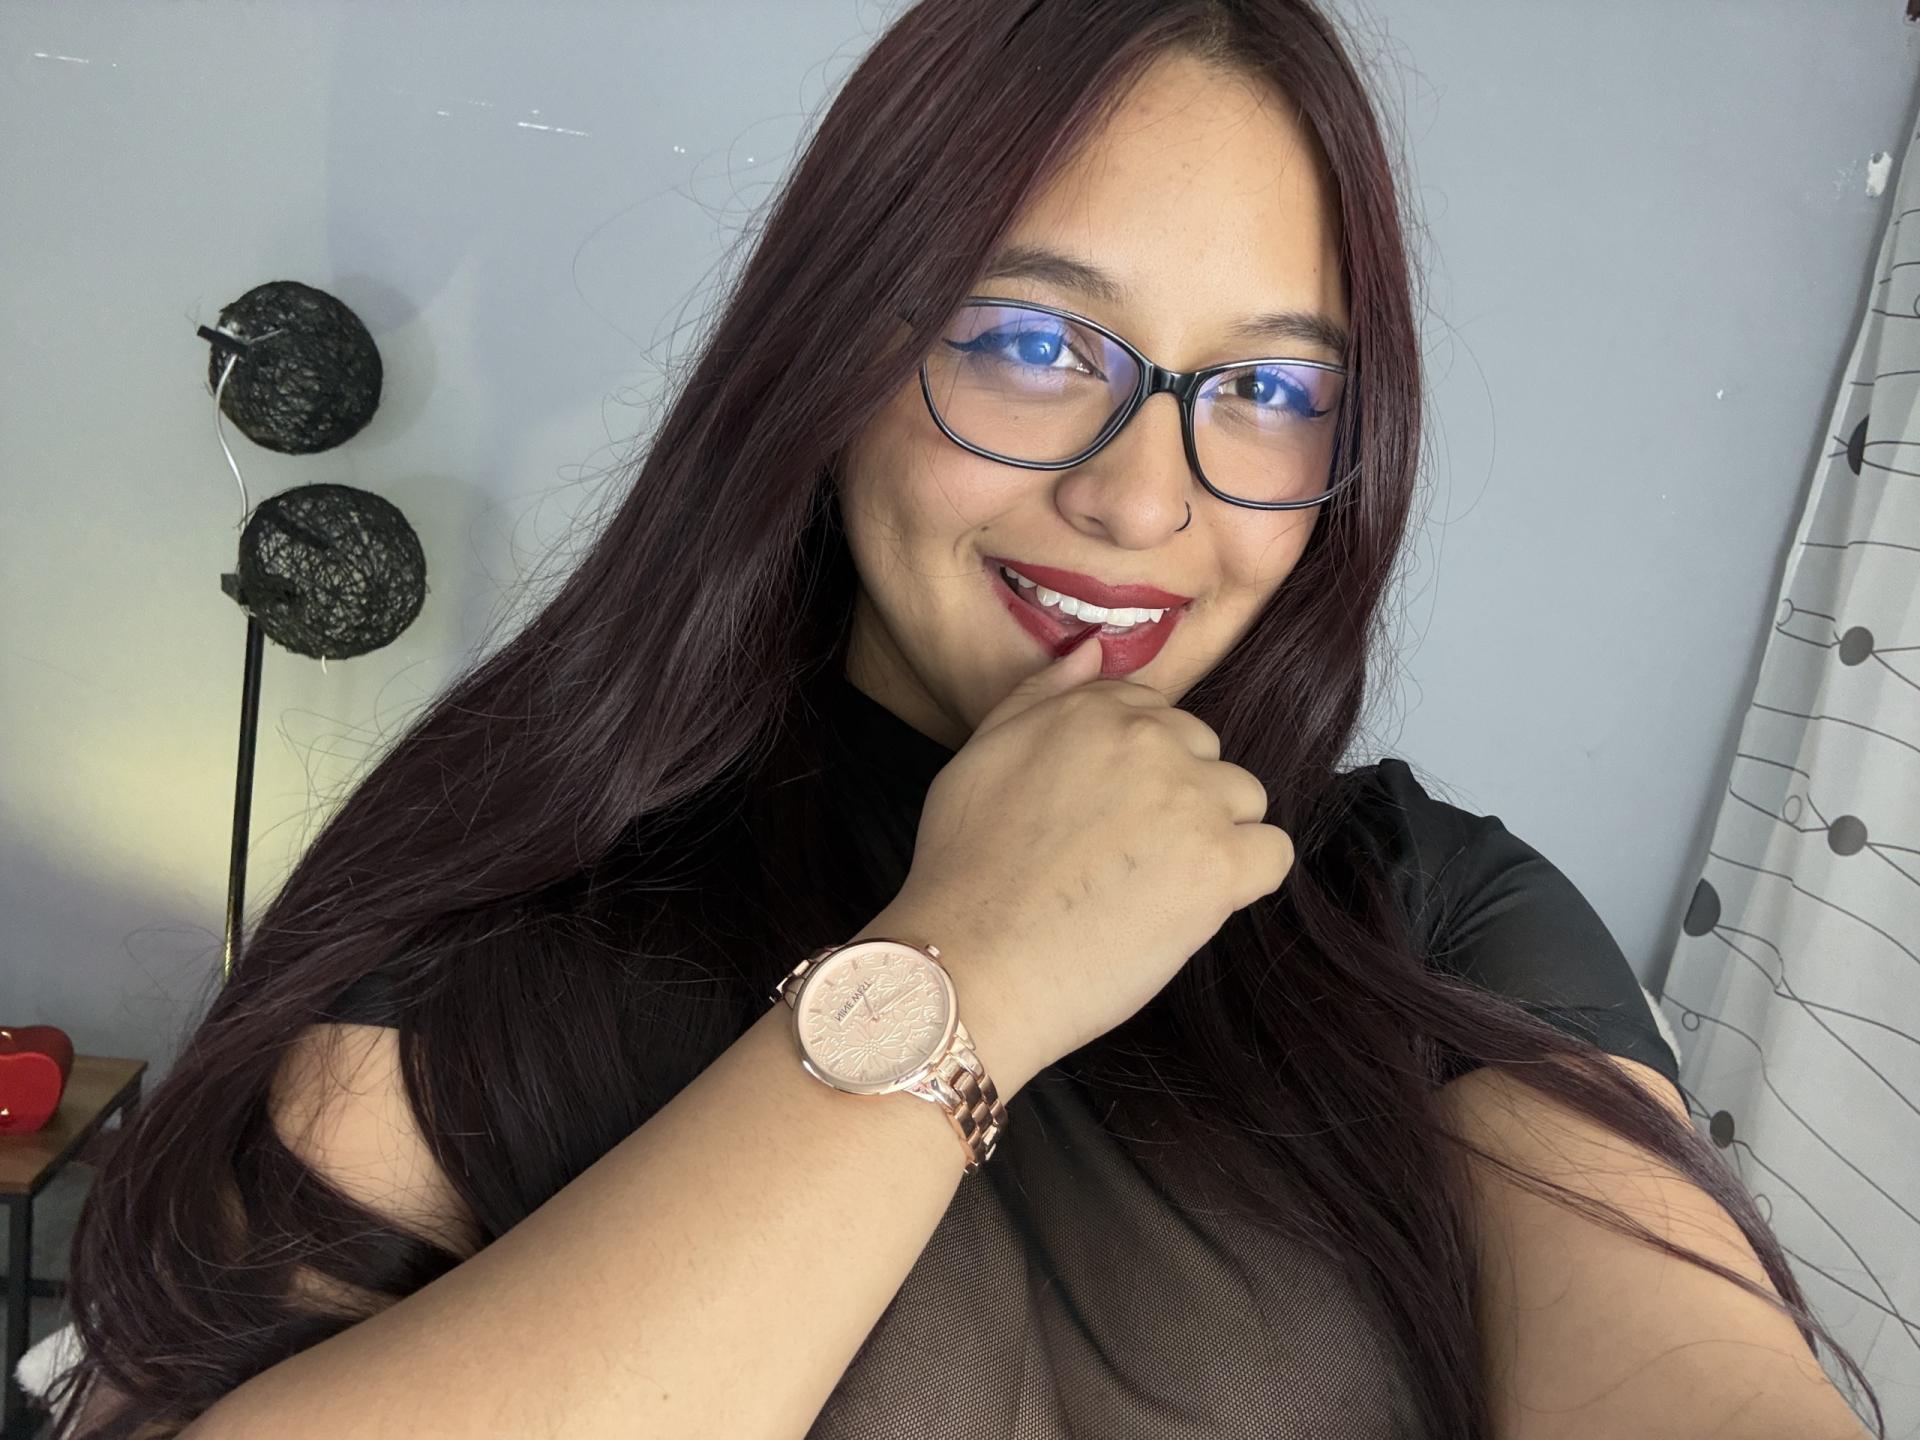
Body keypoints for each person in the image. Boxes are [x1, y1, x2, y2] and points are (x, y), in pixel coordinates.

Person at [51, 3, 1880, 1438]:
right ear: (835, 354)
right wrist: (966, 971)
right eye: (1028, 343)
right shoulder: (507, 903)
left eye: (1268, 388)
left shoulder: (1432, 911)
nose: (1145, 501)